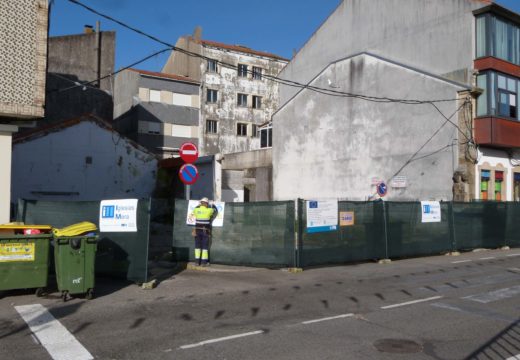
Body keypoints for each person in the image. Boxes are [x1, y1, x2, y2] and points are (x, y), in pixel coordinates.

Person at [191, 197, 218, 266]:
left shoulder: (196, 209)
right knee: (205, 246)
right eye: (207, 203)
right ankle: (203, 262)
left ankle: (197, 262)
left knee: (197, 246)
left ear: (201, 203)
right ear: (206, 204)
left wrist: (199, 205)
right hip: (205, 231)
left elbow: (196, 208)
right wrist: (213, 205)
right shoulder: (209, 210)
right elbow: (216, 211)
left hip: (197, 230)